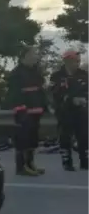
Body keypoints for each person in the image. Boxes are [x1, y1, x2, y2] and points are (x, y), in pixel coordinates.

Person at [6, 46, 47, 176]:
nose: (35, 57)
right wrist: (20, 109)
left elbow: (41, 90)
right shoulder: (16, 73)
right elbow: (14, 94)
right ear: (24, 56)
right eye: (32, 55)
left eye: (35, 55)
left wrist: (45, 105)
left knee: (33, 139)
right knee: (22, 139)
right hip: (24, 112)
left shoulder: (36, 72)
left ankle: (30, 164)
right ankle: (21, 167)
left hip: (36, 111)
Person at [50, 50, 89, 171]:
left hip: (81, 111)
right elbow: (54, 93)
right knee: (65, 136)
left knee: (84, 136)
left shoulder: (84, 75)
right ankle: (67, 162)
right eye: (74, 61)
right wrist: (71, 100)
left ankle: (85, 160)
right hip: (64, 111)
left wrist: (84, 99)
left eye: (78, 61)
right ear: (67, 61)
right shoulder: (56, 76)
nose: (77, 63)